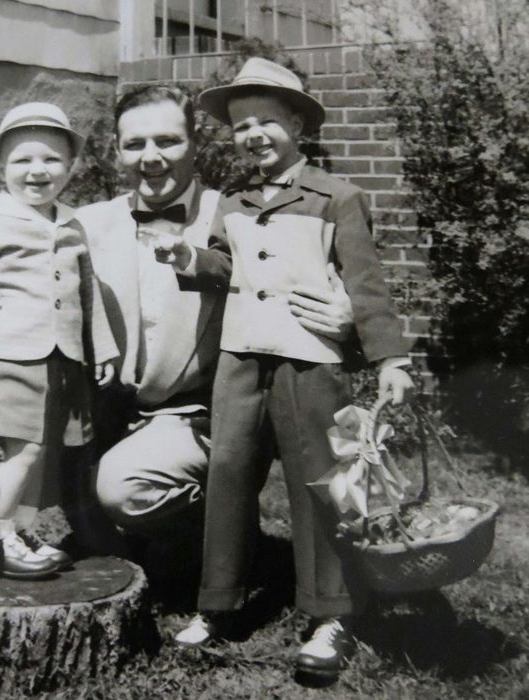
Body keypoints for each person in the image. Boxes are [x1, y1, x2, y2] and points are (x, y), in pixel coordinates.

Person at [0, 86, 355, 571]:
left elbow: (320, 282)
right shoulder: (83, 225)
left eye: (167, 142)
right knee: (38, 461)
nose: (151, 158)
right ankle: (112, 537)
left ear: (194, 145)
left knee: (122, 489)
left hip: (202, 415)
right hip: (106, 409)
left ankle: (212, 533)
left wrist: (346, 318)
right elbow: (11, 274)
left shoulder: (240, 215)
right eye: (135, 144)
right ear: (116, 151)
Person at [169, 58, 414, 677]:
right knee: (226, 473)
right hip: (242, 356)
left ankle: (330, 613)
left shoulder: (338, 197)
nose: (253, 135)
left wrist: (388, 356)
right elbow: (226, 267)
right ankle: (217, 603)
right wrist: (190, 256)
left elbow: (366, 285)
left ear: (299, 126)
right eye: (242, 125)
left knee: (319, 480)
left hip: (310, 357)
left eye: (268, 122)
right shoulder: (234, 200)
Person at [0, 102, 118, 579]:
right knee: (26, 449)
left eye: (52, 159)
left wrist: (103, 349)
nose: (38, 171)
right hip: (10, 354)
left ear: (71, 166)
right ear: (0, 167)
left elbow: (87, 290)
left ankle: (16, 530)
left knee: (46, 451)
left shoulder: (72, 224)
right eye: (22, 160)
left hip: (64, 360)